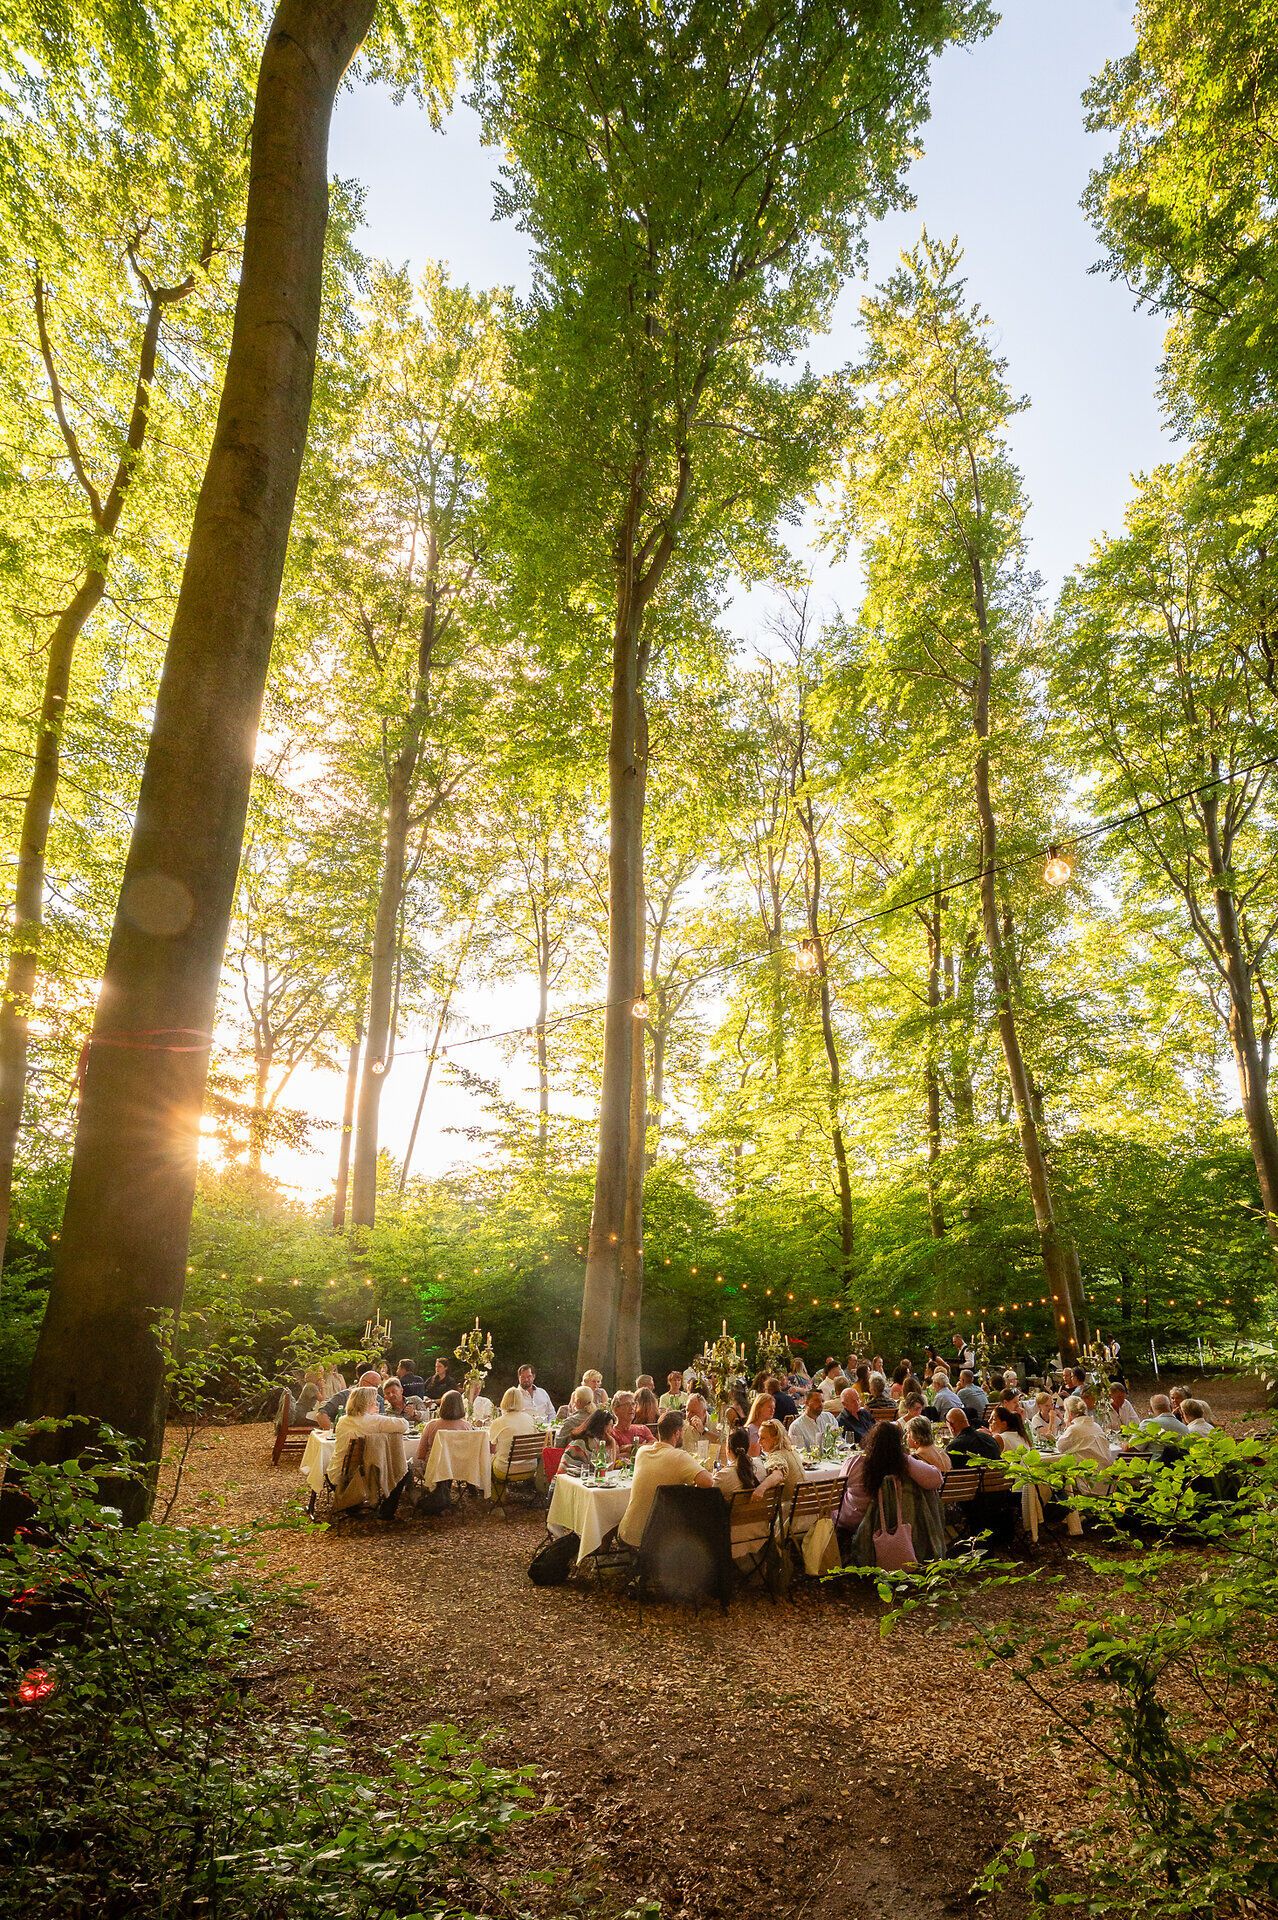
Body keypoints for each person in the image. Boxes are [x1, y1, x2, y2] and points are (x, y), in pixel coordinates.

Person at [617, 1411, 713, 1547]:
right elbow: (708, 1482)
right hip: (657, 1539)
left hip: (629, 1532)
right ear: (677, 1433)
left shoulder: (642, 1452)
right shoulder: (679, 1457)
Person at [836, 1418, 942, 1539]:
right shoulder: (904, 1463)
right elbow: (936, 1479)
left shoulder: (854, 1463)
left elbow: (839, 1493)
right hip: (892, 1523)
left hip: (854, 1523)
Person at [332, 1384, 410, 1514]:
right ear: (367, 1403)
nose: (377, 1403)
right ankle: (387, 1510)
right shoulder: (374, 1421)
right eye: (374, 1401)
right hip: (367, 1473)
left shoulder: (342, 1420)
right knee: (405, 1468)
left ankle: (354, 1504)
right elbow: (404, 1425)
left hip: (339, 1471)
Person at [489, 1385, 538, 1477]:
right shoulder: (530, 1419)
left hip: (505, 1469)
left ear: (504, 1400)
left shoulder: (498, 1422)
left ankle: (495, 1491)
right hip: (530, 1468)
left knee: (491, 1462)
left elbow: (492, 1449)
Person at [414, 1389, 471, 1464]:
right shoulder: (467, 1427)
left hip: (434, 1470)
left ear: (442, 1405)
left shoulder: (431, 1426)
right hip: (459, 1469)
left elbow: (420, 1455)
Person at [315, 1369, 384, 1430]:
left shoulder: (378, 1400)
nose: (376, 1390)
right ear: (363, 1383)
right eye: (375, 1386)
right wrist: (331, 1431)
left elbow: (381, 1422)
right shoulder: (343, 1396)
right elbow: (321, 1414)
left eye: (378, 1387)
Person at [1055, 1396, 1112, 1469]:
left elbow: (1060, 1447)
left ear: (1070, 1413)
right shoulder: (1096, 1426)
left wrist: (1067, 1427)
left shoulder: (1074, 1429)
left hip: (1089, 1475)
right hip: (1105, 1471)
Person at [714, 1424, 767, 1497]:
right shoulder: (761, 1466)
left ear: (728, 1449)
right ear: (748, 1447)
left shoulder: (722, 1476)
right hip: (760, 1507)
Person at [562, 1408, 618, 1475]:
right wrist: (612, 1442)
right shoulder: (583, 1443)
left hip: (576, 1480)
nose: (611, 1430)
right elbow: (605, 1469)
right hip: (566, 1482)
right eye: (610, 1426)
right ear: (602, 1426)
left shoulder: (592, 1441)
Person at [757, 1418, 803, 1494]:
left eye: (763, 1438)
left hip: (790, 1504)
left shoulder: (777, 1456)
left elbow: (778, 1475)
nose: (758, 1441)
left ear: (775, 1439)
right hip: (804, 1501)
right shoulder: (792, 1451)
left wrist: (761, 1488)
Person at [610, 1391, 653, 1457]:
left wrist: (631, 1448)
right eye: (627, 1404)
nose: (632, 1408)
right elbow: (614, 1457)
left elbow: (655, 1446)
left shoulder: (643, 1428)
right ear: (616, 1410)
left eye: (633, 1404)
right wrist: (645, 1447)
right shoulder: (611, 1432)